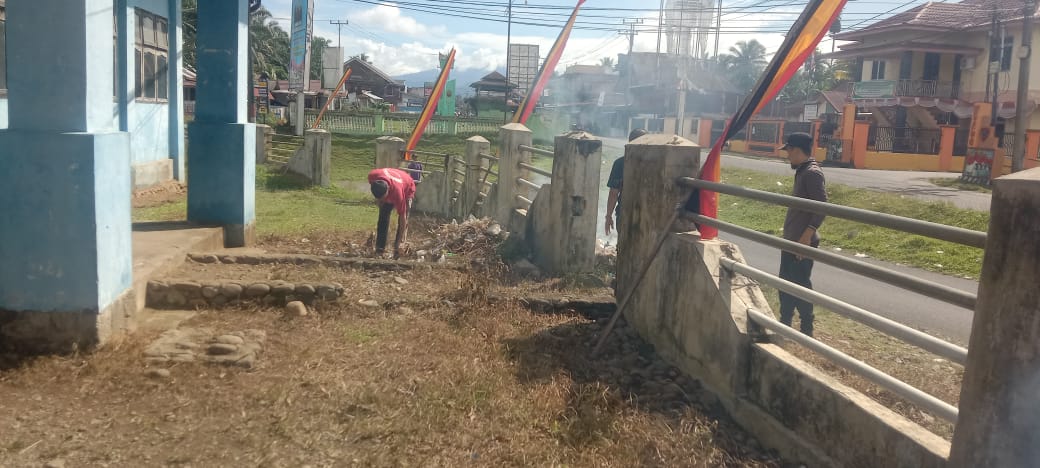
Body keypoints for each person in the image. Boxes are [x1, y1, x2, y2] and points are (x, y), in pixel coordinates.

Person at [779, 132, 827, 337]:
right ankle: (785, 323)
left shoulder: (812, 174)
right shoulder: (802, 171)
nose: (787, 156)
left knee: (800, 286)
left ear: (797, 150)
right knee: (785, 283)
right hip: (792, 240)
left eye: (788, 151)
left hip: (802, 242)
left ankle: (807, 329)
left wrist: (806, 237)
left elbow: (822, 206)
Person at [604, 128, 649, 237]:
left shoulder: (620, 163)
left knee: (625, 246)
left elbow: (614, 193)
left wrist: (609, 216)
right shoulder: (651, 165)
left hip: (625, 214)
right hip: (646, 215)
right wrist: (609, 216)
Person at [368, 167, 416, 259]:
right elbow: (380, 199)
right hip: (394, 179)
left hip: (407, 187)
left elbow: (403, 218)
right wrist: (381, 202)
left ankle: (398, 249)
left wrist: (400, 241)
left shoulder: (398, 194)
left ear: (388, 190)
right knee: (383, 217)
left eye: (383, 198)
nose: (381, 201)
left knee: (403, 220)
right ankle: (380, 249)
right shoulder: (372, 176)